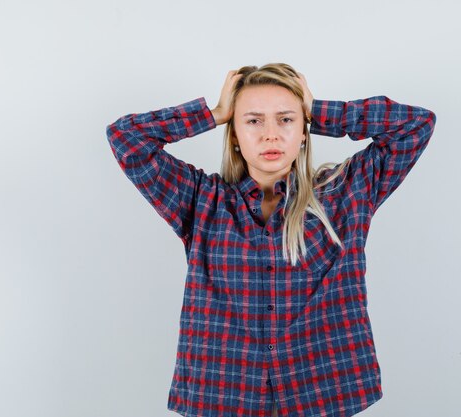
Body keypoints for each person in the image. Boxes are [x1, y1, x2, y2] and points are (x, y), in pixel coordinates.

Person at [106, 63, 437, 417]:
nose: (271, 134)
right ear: (233, 132)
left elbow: (416, 125)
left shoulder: (346, 190)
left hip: (323, 393)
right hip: (223, 394)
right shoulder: (201, 199)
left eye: (286, 119)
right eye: (253, 120)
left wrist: (320, 111)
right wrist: (213, 113)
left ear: (304, 130)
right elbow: (126, 139)